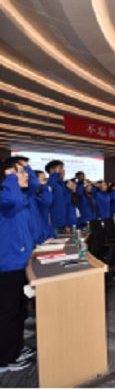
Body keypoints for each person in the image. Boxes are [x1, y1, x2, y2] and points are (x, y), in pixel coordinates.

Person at [0, 159, 36, 373]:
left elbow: (32, 186)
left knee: (18, 311)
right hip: (7, 265)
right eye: (21, 172)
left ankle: (15, 349)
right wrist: (12, 176)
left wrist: (22, 170)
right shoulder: (5, 198)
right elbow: (13, 197)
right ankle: (5, 359)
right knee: (8, 313)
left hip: (18, 263)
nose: (25, 175)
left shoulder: (17, 196)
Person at [7, 157, 42, 244]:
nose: (27, 174)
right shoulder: (7, 198)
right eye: (22, 171)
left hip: (30, 240)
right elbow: (35, 183)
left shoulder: (25, 194)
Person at [45, 160, 68, 235]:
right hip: (53, 224)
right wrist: (55, 175)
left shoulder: (60, 185)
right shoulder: (49, 183)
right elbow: (52, 185)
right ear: (51, 170)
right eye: (60, 168)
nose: (63, 170)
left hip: (62, 223)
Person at [37, 171, 56, 242]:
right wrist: (45, 187)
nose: (46, 182)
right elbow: (46, 202)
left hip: (46, 236)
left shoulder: (41, 195)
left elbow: (48, 219)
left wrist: (51, 234)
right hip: (39, 238)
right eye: (43, 179)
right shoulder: (36, 198)